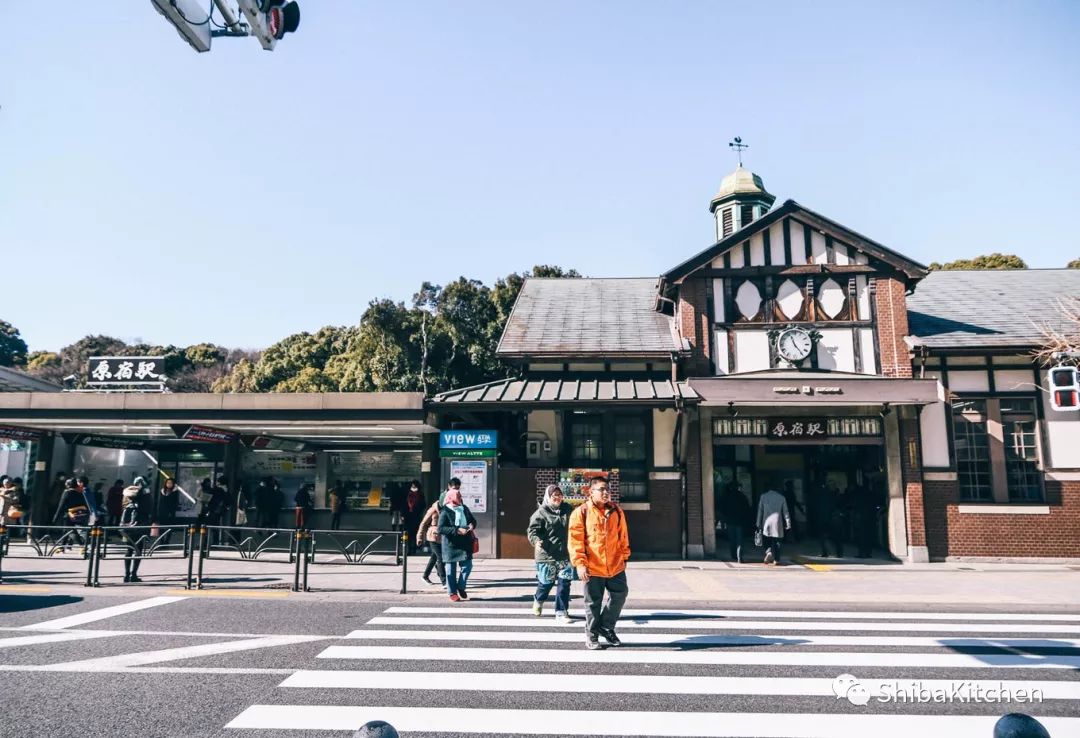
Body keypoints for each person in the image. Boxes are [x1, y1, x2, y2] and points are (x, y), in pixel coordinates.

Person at [568, 477, 631, 651]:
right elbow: (575, 541)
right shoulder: (581, 512)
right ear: (591, 492)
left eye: (607, 490)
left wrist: (624, 557)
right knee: (593, 603)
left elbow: (623, 536)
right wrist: (580, 564)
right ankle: (592, 635)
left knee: (620, 594)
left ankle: (606, 625)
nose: (606, 493)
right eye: (601, 489)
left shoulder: (616, 511)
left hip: (615, 565)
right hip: (592, 567)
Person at [527, 484, 574, 623]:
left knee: (564, 584)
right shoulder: (541, 512)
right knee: (546, 584)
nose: (558, 498)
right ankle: (538, 599)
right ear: (548, 497)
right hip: (547, 555)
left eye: (560, 495)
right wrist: (536, 541)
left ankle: (561, 612)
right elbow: (532, 531)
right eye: (554, 496)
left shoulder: (568, 509)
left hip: (565, 554)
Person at [437, 488, 476, 602]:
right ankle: (452, 592)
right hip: (451, 545)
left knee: (468, 566)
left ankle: (461, 586)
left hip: (465, 543)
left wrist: (471, 525)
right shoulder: (445, 511)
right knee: (450, 570)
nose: (458, 499)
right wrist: (457, 530)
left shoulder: (464, 508)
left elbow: (473, 520)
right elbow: (441, 528)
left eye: (459, 497)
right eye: (456, 497)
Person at [119, 477, 151, 583]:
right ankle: (133, 574)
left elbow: (123, 506)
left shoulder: (127, 494)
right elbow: (149, 509)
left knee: (128, 550)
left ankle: (126, 575)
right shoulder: (145, 496)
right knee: (138, 550)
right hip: (139, 526)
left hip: (127, 527)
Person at [756, 484, 791, 566]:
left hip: (766, 522)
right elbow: (786, 512)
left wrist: (758, 523)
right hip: (778, 522)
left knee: (766, 539)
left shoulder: (763, 496)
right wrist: (788, 523)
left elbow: (760, 511)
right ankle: (777, 559)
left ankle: (769, 552)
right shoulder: (781, 498)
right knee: (778, 542)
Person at [718, 481, 752, 563]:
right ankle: (739, 556)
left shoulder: (726, 497)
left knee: (732, 540)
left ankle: (733, 555)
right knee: (740, 540)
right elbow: (747, 509)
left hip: (730, 521)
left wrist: (725, 518)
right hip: (740, 522)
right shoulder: (742, 496)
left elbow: (722, 508)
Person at [416, 496, 446, 586]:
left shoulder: (448, 508)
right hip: (433, 536)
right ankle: (444, 581)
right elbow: (423, 523)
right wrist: (419, 537)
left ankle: (425, 576)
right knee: (441, 557)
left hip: (442, 537)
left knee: (434, 557)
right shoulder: (433, 509)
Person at [53, 478, 89, 548]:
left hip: (69, 514)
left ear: (69, 485)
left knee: (70, 531)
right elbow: (84, 504)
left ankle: (82, 545)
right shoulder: (79, 492)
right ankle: (62, 546)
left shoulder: (67, 492)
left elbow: (61, 505)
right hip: (79, 514)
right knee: (67, 530)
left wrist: (55, 517)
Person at [402, 481, 425, 553]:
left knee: (415, 532)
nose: (413, 488)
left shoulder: (420, 495)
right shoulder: (407, 494)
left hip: (416, 516)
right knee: (408, 533)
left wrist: (418, 510)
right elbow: (403, 505)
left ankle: (414, 548)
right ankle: (408, 548)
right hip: (408, 516)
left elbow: (423, 504)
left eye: (415, 486)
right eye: (412, 486)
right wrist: (403, 514)